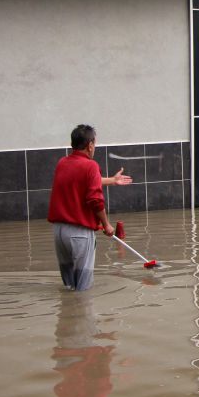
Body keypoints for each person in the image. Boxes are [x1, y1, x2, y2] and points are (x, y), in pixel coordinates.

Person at [47, 124, 132, 291]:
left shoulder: (62, 163)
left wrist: (112, 180)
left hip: (59, 233)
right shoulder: (91, 166)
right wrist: (106, 224)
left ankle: (67, 308)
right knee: (82, 290)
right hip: (79, 234)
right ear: (90, 145)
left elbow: (83, 180)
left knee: (69, 287)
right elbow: (95, 200)